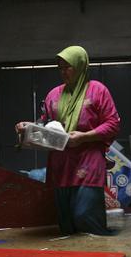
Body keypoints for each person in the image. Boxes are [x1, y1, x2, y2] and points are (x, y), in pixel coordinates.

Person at [16, 46, 120, 235]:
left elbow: (113, 124)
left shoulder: (97, 90)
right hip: (61, 163)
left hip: (88, 161)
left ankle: (100, 255)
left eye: (68, 67)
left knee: (85, 216)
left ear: (80, 66)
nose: (63, 72)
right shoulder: (53, 94)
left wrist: (84, 137)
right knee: (66, 223)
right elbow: (44, 123)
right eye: (60, 67)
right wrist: (27, 127)